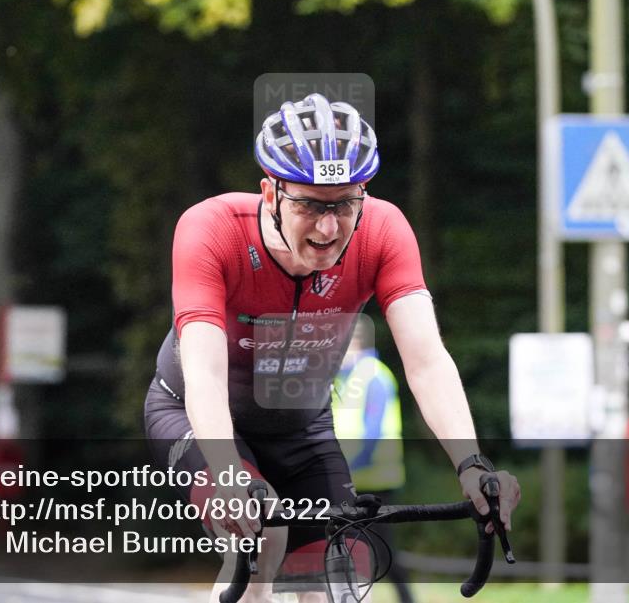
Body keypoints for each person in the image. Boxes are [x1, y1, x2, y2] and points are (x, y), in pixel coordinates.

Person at [144, 93, 520, 603]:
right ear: (271, 194)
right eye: (310, 206)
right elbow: (205, 374)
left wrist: (472, 465)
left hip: (300, 422)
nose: (328, 228)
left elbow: (427, 362)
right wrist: (228, 472)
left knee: (336, 575)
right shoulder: (212, 231)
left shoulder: (384, 230)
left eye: (345, 204)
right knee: (263, 542)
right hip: (195, 413)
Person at [332, 321, 414, 603]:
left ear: (353, 344)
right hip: (356, 479)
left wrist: (348, 470)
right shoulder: (347, 378)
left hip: (373, 479)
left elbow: (373, 432)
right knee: (365, 548)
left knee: (380, 550)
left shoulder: (374, 376)